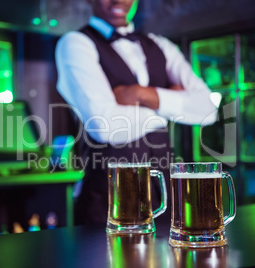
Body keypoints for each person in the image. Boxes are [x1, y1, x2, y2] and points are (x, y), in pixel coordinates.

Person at [55, 0, 219, 224]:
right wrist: (171, 108)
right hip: (109, 201)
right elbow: (105, 126)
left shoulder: (161, 45)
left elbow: (208, 110)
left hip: (166, 199)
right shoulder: (74, 44)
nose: (119, 1)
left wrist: (141, 94)